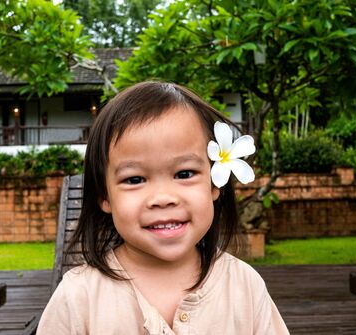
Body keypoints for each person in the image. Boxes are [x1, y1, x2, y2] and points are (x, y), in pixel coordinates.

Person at [37, 81, 290, 334]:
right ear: (105, 196)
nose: (163, 197)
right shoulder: (78, 297)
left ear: (215, 184)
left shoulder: (244, 286)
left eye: (184, 173)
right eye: (134, 179)